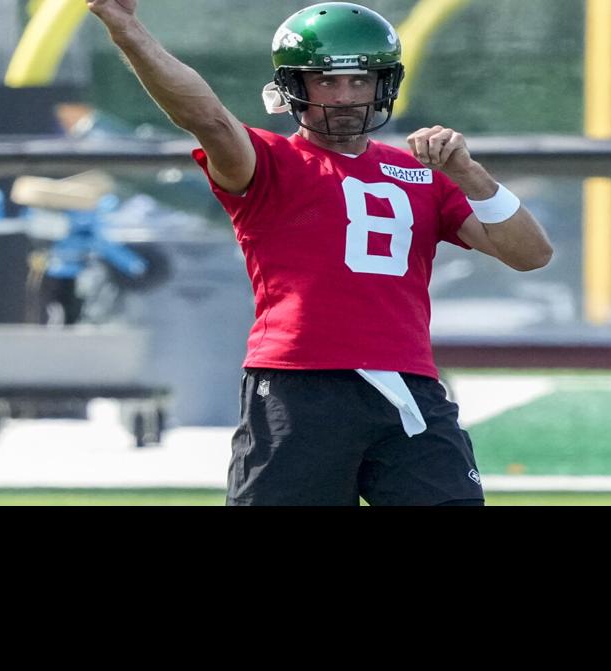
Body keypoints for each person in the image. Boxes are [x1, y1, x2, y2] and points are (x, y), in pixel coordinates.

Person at [88, 0, 553, 505]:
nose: (346, 96)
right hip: (299, 386)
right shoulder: (268, 161)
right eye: (326, 80)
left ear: (384, 83)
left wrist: (471, 174)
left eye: (360, 80)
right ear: (294, 87)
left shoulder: (426, 175)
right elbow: (208, 118)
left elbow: (531, 254)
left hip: (408, 386)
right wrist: (126, 29)